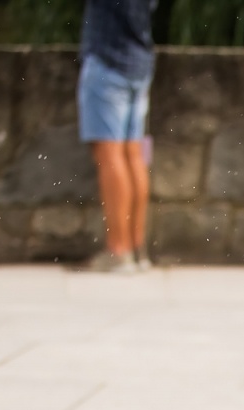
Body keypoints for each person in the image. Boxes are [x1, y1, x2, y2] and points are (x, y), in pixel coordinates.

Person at [77, 0, 156, 272]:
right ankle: (137, 248)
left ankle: (117, 250)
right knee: (134, 155)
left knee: (109, 155)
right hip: (139, 64)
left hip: (108, 62)